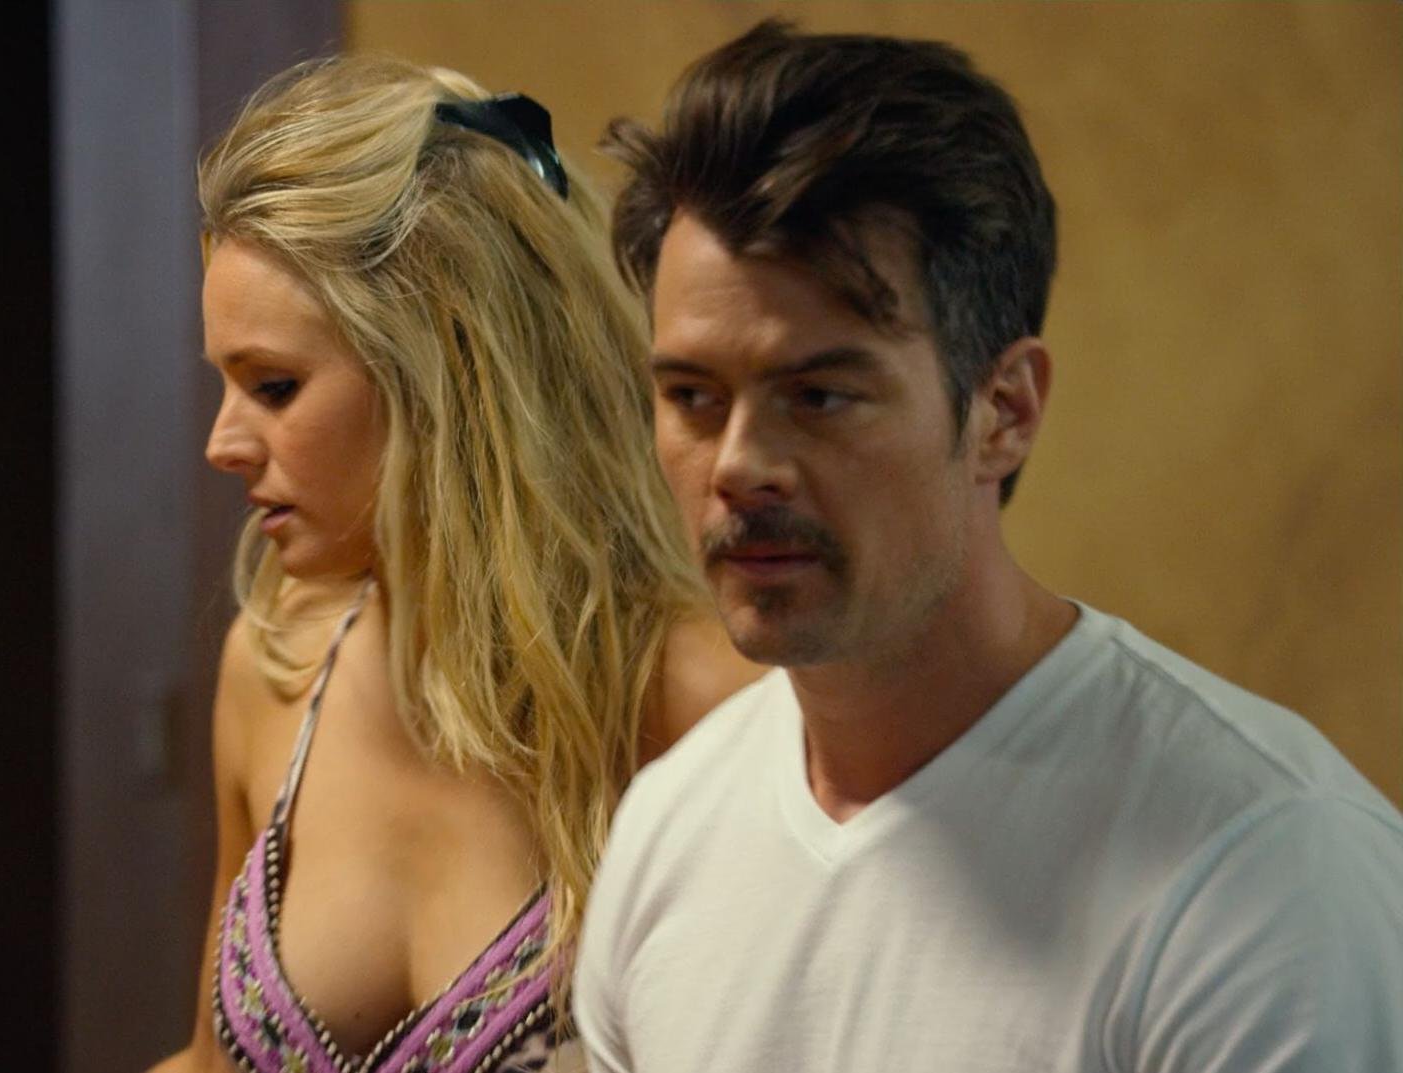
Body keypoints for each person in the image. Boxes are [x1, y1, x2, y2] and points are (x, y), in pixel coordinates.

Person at [575, 18, 1403, 1072]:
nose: (739, 465)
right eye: (693, 397)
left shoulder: (1268, 878)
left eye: (819, 395)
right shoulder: (666, 831)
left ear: (1004, 409)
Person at [149, 56, 761, 1073]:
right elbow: (211, 1061)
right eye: (226, 384)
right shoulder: (275, 664)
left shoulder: (700, 702)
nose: (223, 443)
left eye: (274, 386)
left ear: (447, 367)